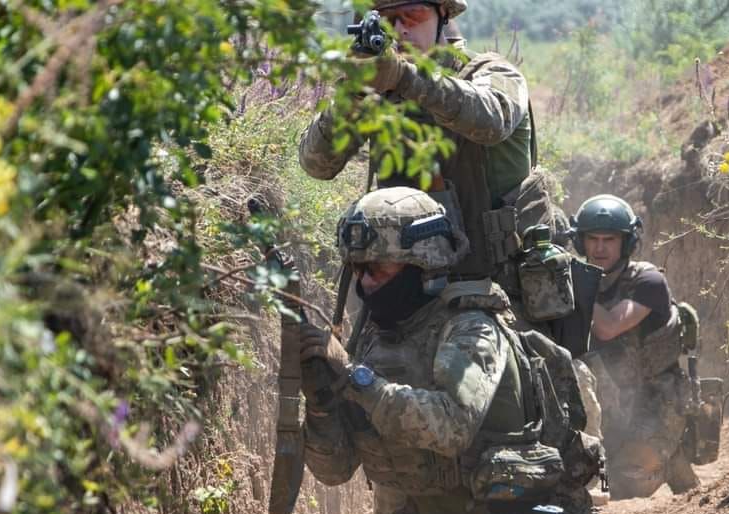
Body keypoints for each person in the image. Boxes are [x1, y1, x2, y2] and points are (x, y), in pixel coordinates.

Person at [298, 187, 600, 514]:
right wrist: (321, 404)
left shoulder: (472, 327)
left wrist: (353, 375)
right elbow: (334, 471)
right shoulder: (373, 340)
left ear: (423, 263)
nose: (366, 283)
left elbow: (451, 427)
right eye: (358, 270)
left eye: (379, 268)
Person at [299, 0, 534, 279]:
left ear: (443, 14)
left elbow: (492, 121)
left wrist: (406, 78)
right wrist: (354, 96)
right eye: (386, 20)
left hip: (494, 285)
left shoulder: (493, 73)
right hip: (405, 289)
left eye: (412, 16)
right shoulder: (382, 88)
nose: (400, 30)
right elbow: (318, 165)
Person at [570, 194, 700, 500]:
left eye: (609, 239)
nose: (599, 248)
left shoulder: (648, 281)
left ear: (626, 243)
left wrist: (574, 282)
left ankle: (671, 460)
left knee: (622, 487)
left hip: (655, 400)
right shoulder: (580, 279)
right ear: (580, 241)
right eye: (592, 239)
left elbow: (608, 326)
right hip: (609, 402)